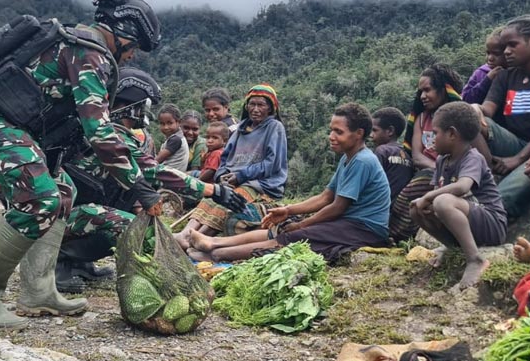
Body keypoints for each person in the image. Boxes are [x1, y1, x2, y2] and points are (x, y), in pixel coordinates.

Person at [0, 0, 167, 328]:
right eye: (132, 48)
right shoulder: (91, 55)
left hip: (17, 128)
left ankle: (38, 292)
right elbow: (99, 132)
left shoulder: (80, 44)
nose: (130, 57)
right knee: (40, 199)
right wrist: (140, 187)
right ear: (123, 34)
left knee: (62, 193)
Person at [60, 67, 246, 291]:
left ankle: (80, 262)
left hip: (82, 210)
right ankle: (59, 264)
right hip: (66, 218)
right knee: (131, 227)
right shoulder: (111, 137)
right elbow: (156, 170)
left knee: (138, 211)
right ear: (133, 106)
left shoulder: (114, 133)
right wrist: (213, 190)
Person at [188, 103, 390, 264]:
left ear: (359, 134)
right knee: (284, 226)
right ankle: (213, 241)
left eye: (339, 132)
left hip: (364, 228)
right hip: (349, 221)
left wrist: (302, 223)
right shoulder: (348, 158)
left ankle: (218, 255)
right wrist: (288, 211)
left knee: (296, 236)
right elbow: (326, 196)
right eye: (331, 130)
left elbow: (337, 207)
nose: (331, 137)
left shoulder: (362, 161)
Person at [175, 84, 288, 250]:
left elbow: (272, 164)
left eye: (261, 105)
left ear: (271, 108)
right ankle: (186, 233)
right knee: (214, 196)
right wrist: (222, 175)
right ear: (246, 106)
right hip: (235, 180)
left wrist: (241, 176)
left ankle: (202, 237)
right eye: (252, 104)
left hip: (260, 184)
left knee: (231, 198)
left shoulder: (274, 128)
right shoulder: (240, 129)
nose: (255, 109)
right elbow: (225, 158)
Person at [410, 102, 507, 290]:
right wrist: (425, 201)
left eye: (435, 133)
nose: (431, 140)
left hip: (491, 223)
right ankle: (452, 247)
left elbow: (463, 187)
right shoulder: (441, 161)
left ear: (452, 134)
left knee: (442, 201)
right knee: (416, 208)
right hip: (468, 219)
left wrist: (430, 195)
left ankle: (475, 260)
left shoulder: (473, 157)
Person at [388, 64, 463, 242]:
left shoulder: (459, 118)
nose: (422, 96)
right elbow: (417, 156)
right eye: (420, 91)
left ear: (444, 89)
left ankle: (397, 234)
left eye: (427, 90)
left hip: (455, 174)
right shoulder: (422, 119)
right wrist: (440, 171)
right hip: (428, 171)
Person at [475, 14, 530, 219]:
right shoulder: (505, 76)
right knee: (465, 116)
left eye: (513, 44)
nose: (507, 52)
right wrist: (475, 109)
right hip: (512, 143)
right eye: (504, 47)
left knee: (501, 201)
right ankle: (488, 177)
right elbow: (487, 111)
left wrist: (517, 160)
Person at [370, 107, 413, 203]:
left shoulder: (382, 151)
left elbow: (371, 183)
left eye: (375, 130)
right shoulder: (408, 155)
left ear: (390, 131)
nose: (371, 135)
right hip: (399, 209)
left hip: (380, 207)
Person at [461, 28, 507, 104]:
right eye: (488, 53)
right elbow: (465, 99)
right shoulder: (480, 73)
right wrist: (487, 80)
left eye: (496, 54)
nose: (490, 58)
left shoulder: (515, 74)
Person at [155, 103, 189, 172]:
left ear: (178, 122)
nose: (166, 127)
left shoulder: (176, 139)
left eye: (170, 123)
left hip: (170, 177)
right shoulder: (177, 137)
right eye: (162, 123)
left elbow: (157, 160)